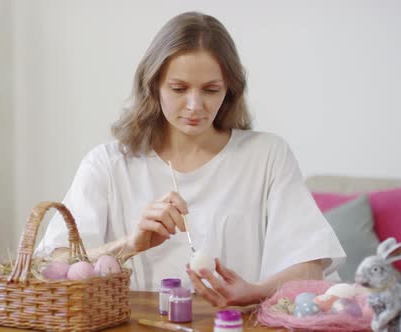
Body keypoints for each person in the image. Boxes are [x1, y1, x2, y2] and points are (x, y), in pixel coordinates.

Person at [37, 11, 345, 307]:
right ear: (153, 85)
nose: (195, 105)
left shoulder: (267, 156)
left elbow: (311, 267)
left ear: (230, 90)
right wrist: (129, 244)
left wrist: (253, 292)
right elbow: (50, 264)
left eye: (211, 90)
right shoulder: (107, 163)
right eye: (179, 88)